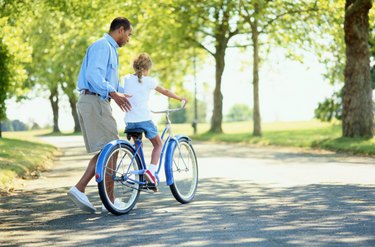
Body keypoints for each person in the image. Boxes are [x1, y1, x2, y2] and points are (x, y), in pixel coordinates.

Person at [67, 17, 133, 213]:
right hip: (95, 100)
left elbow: (108, 81)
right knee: (112, 148)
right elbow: (94, 76)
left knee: (108, 150)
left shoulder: (109, 50)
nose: (129, 39)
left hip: (97, 100)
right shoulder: (102, 46)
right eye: (129, 34)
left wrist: (130, 91)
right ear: (120, 30)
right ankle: (90, 193)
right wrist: (113, 93)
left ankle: (106, 199)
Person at [123, 53, 187, 191]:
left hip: (130, 121)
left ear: (135, 67)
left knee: (137, 145)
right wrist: (180, 98)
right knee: (158, 144)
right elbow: (165, 91)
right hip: (144, 119)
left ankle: (141, 176)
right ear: (147, 69)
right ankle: (150, 172)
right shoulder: (149, 80)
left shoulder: (127, 79)